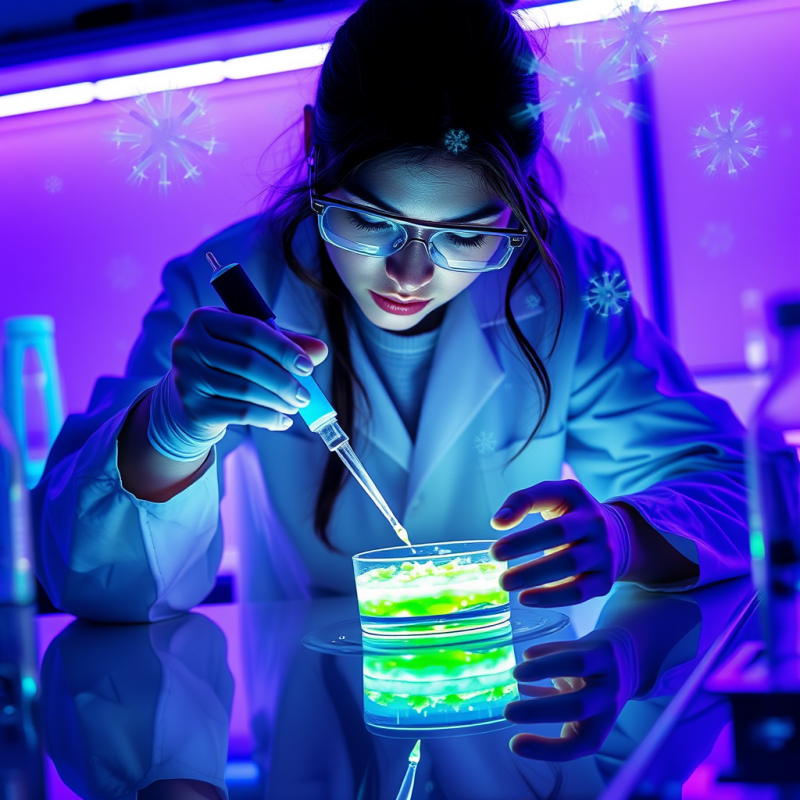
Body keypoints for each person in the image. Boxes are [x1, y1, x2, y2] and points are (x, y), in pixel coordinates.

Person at [32, 0, 749, 623]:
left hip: (511, 713)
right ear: (317, 151)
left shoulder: (569, 285)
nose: (410, 274)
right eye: (370, 220)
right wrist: (172, 429)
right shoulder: (223, 287)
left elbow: (743, 490)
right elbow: (95, 583)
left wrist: (623, 536)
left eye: (468, 233)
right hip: (321, 715)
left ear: (521, 194)